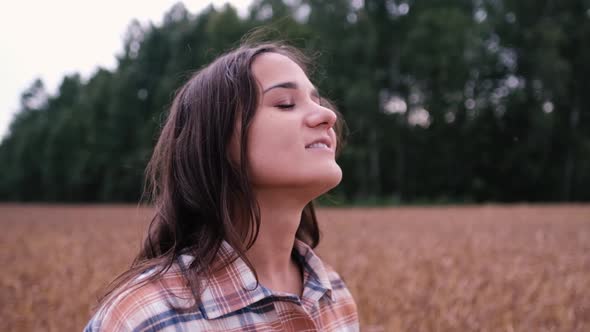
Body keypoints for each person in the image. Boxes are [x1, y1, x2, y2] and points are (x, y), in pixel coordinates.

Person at [84, 40, 359, 331]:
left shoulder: (335, 296)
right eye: (285, 103)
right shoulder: (145, 317)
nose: (328, 116)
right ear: (214, 141)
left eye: (317, 102)